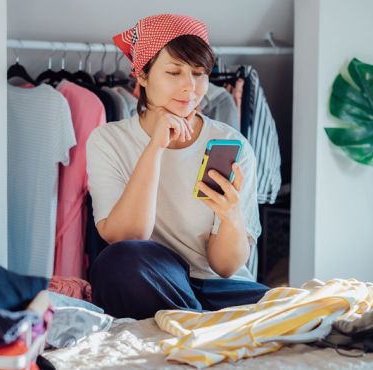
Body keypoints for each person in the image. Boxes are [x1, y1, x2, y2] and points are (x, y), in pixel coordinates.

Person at [86, 14, 269, 320]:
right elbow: (128, 235)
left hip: (220, 289)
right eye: (174, 72)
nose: (190, 87)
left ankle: (193, 323)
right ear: (142, 75)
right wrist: (155, 147)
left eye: (199, 74)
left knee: (294, 305)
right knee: (116, 262)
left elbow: (225, 267)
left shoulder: (230, 144)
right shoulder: (108, 141)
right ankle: (202, 324)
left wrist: (231, 216)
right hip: (155, 280)